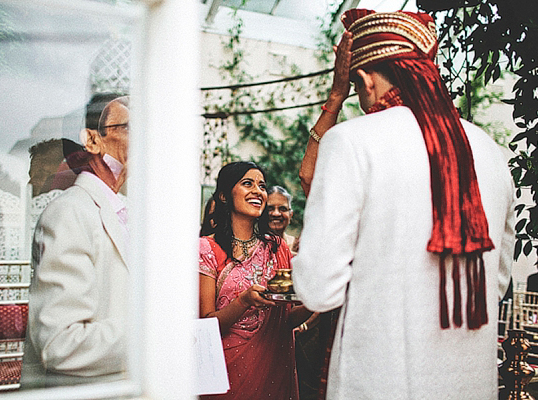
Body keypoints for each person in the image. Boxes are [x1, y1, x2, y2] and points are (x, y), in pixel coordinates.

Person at [293, 9, 515, 399]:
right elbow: (496, 283)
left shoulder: (351, 141)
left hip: (379, 382)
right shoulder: (490, 151)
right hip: (469, 384)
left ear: (363, 79)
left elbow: (318, 289)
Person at [21, 96, 130, 388]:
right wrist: (157, 333)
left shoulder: (130, 212)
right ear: (92, 141)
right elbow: (61, 344)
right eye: (132, 127)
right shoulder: (68, 213)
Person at [198, 161, 303, 399]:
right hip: (226, 375)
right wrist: (243, 301)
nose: (258, 191)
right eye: (248, 184)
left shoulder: (277, 248)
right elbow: (206, 325)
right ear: (224, 195)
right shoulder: (206, 249)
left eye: (262, 186)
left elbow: (286, 319)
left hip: (273, 371)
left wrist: (315, 305)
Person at [267, 185, 298, 255]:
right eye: (270, 208)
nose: (276, 214)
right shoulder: (252, 247)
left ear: (290, 215)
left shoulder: (299, 246)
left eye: (283, 209)